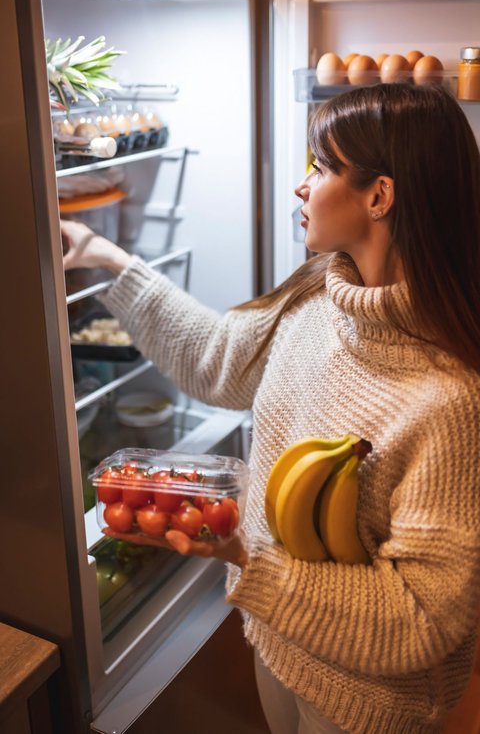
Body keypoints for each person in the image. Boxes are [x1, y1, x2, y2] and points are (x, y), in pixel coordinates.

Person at [61, 83, 480, 734]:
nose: (301, 186)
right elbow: (214, 359)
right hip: (277, 642)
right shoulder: (317, 298)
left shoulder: (449, 400)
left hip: (368, 702)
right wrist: (105, 258)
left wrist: (248, 558)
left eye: (321, 166)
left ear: (380, 195)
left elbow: (422, 620)